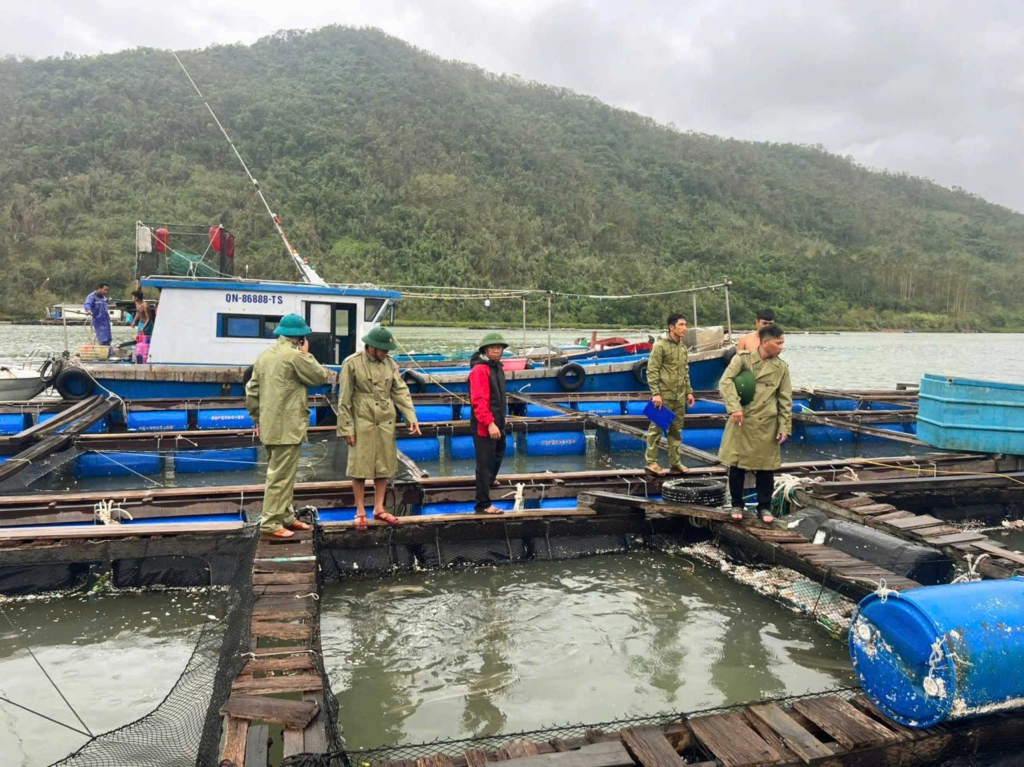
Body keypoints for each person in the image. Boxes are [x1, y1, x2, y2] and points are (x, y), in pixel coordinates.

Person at [245, 313, 330, 538]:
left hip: (269, 424)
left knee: (285, 473)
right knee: (279, 476)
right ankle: (271, 523)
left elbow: (251, 391)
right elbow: (320, 376)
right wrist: (306, 353)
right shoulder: (295, 356)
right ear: (300, 338)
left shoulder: (264, 356)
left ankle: (286, 516)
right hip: (288, 426)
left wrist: (257, 419)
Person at [337, 326, 421, 530]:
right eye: (382, 349)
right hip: (361, 418)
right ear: (371, 347)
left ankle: (379, 508)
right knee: (359, 467)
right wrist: (346, 428)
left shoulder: (390, 363)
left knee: (383, 465)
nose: (385, 353)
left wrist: (411, 416)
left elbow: (400, 390)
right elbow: (344, 398)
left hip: (385, 418)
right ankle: (360, 510)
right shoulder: (352, 363)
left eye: (387, 350)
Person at [719, 324, 792, 524]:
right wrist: (734, 407)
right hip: (743, 419)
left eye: (783, 343)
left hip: (767, 422)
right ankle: (736, 503)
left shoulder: (781, 368)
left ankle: (764, 507)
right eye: (778, 343)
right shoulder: (743, 359)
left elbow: (785, 399)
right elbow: (725, 382)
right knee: (737, 465)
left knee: (766, 468)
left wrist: (784, 426)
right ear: (765, 342)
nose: (781, 347)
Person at [645, 313, 696, 476]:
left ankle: (675, 462)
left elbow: (685, 371)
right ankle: (651, 462)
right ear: (671, 327)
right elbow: (652, 370)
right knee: (656, 428)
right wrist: (656, 393)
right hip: (664, 394)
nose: (684, 328)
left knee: (676, 431)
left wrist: (689, 391)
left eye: (685, 325)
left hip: (679, 395)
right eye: (681, 325)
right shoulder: (660, 345)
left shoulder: (682, 346)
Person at [469, 332, 509, 514]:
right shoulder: (480, 370)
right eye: (493, 347)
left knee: (499, 451)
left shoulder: (498, 368)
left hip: (498, 420)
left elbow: (499, 396)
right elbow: (479, 400)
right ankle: (483, 504)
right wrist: (489, 423)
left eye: (499, 347)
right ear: (485, 349)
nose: (496, 350)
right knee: (484, 462)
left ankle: (490, 479)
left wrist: (502, 418)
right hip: (484, 424)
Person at [83, 282, 112, 350]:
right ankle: (103, 353)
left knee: (108, 338)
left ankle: (108, 353)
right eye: (105, 290)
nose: (106, 292)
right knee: (103, 339)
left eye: (107, 290)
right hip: (98, 321)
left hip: (106, 321)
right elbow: (88, 304)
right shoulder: (91, 296)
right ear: (100, 288)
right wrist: (89, 310)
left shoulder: (104, 298)